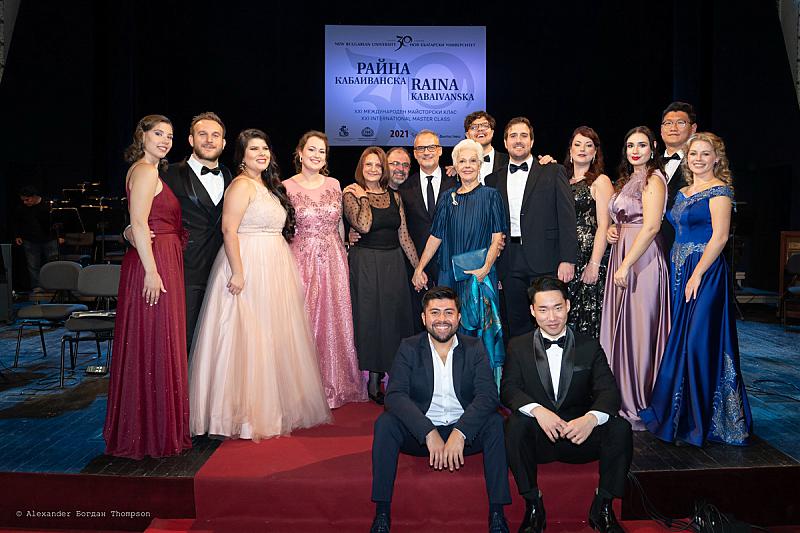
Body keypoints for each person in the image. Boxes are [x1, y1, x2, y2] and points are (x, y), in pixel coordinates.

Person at [189, 129, 331, 440]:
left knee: (271, 337)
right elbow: (229, 230)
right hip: (249, 264)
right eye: (254, 149)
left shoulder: (268, 186)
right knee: (247, 339)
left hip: (275, 265)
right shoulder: (241, 185)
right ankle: (241, 417)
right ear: (242, 155)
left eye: (265, 148)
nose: (261, 154)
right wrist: (238, 272)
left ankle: (271, 409)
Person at [640, 132, 752, 446]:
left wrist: (698, 274)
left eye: (705, 154)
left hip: (706, 273)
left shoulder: (720, 191)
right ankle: (680, 415)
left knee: (698, 342)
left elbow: (720, 237)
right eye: (694, 154)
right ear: (687, 159)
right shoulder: (682, 192)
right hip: (679, 270)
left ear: (717, 158)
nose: (699, 159)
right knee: (680, 339)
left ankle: (701, 421)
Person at [370, 286, 512, 533]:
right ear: (424, 317)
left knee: (495, 423)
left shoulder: (474, 347)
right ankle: (382, 513)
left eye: (449, 312)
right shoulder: (409, 347)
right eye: (435, 312)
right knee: (385, 424)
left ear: (458, 317)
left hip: (464, 435)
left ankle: (497, 514)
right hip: (421, 436)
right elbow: (395, 395)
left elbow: (488, 395)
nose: (442, 319)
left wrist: (461, 432)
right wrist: (427, 431)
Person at [501, 276, 632, 533]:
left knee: (620, 428)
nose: (552, 317)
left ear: (568, 306)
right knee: (514, 425)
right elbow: (508, 390)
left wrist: (590, 419)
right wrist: (538, 411)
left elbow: (609, 392)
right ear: (532, 311)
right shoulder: (518, 346)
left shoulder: (589, 345)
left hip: (578, 437)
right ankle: (533, 505)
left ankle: (603, 506)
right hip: (540, 440)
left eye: (558, 308)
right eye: (543, 309)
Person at [103, 114, 191, 459]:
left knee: (153, 340)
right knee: (154, 340)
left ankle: (149, 429)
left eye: (169, 135)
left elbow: (135, 224)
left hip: (158, 258)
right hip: (153, 263)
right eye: (158, 133)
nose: (165, 140)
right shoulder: (145, 171)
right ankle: (151, 433)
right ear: (142, 135)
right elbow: (139, 223)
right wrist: (152, 272)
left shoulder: (147, 170)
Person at [126, 112, 233, 353]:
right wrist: (128, 230)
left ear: (224, 143)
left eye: (215, 135)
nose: (209, 140)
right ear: (191, 139)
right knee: (181, 343)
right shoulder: (165, 173)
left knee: (218, 347)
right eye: (202, 134)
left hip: (222, 274)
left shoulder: (231, 176)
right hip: (180, 270)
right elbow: (139, 213)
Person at [412, 139, 507, 385]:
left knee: (480, 331)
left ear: (480, 165)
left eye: (472, 161)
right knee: (448, 327)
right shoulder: (447, 198)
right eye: (462, 161)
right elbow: (436, 237)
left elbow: (497, 237)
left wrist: (485, 269)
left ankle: (483, 387)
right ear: (455, 165)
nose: (467, 166)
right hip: (450, 275)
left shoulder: (491, 196)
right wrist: (420, 267)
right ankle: (452, 384)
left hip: (480, 275)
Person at [284, 131, 366, 409]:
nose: (317, 155)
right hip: (301, 259)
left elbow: (339, 223)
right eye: (312, 149)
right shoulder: (286, 186)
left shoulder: (334, 184)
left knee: (334, 321)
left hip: (334, 259)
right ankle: (301, 389)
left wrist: (345, 245)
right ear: (300, 153)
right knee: (305, 321)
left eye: (322, 151)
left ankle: (335, 384)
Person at [600, 126, 670, 430]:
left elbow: (652, 226)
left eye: (641, 145)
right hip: (623, 255)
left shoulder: (655, 179)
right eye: (630, 145)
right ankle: (618, 398)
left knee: (639, 333)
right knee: (621, 330)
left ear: (653, 147)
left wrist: (626, 264)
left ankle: (639, 401)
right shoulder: (627, 180)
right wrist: (612, 230)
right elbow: (622, 216)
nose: (635, 151)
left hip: (642, 261)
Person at [485, 117, 578, 338]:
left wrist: (568, 259)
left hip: (546, 257)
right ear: (505, 142)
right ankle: (522, 360)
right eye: (513, 136)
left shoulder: (553, 171)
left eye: (523, 135)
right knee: (516, 322)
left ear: (532, 141)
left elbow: (567, 217)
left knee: (550, 319)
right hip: (509, 259)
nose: (518, 140)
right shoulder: (492, 179)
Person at [343, 147, 419, 404]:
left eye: (378, 165)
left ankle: (395, 375)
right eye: (369, 165)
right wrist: (365, 196)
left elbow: (404, 236)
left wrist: (418, 268)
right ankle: (374, 378)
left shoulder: (394, 197)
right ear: (361, 168)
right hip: (365, 263)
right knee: (371, 319)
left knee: (394, 318)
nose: (374, 169)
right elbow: (363, 225)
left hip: (393, 262)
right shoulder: (351, 193)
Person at [399, 130, 458, 329]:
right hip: (418, 266)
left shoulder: (457, 182)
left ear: (440, 150)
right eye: (421, 148)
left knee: (451, 317)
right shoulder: (405, 188)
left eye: (431, 147)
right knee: (420, 320)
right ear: (415, 154)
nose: (426, 152)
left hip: (451, 263)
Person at [563, 127, 614, 338]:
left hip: (589, 257)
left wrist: (594, 263)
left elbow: (604, 225)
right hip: (565, 257)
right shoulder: (561, 180)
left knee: (588, 319)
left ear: (595, 152)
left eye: (588, 145)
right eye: (578, 144)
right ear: (570, 150)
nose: (582, 149)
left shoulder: (600, 181)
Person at [658, 102, 698, 255]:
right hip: (647, 248)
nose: (673, 128)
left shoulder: (699, 165)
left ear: (693, 129)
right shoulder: (648, 164)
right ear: (661, 130)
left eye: (680, 123)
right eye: (668, 123)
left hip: (683, 247)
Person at [14, 185, 60, 291]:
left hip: (49, 239)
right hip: (30, 240)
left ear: (34, 196)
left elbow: (59, 221)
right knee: (33, 265)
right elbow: (16, 221)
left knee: (53, 264)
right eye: (23, 200)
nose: (25, 202)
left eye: (27, 199)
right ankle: (37, 287)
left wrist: (61, 236)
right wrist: (17, 235)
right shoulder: (21, 207)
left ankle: (54, 286)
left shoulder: (48, 204)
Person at [464, 110, 509, 183]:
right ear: (467, 135)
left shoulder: (508, 161)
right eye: (474, 127)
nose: (480, 129)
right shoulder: (459, 165)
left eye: (485, 126)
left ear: (492, 132)